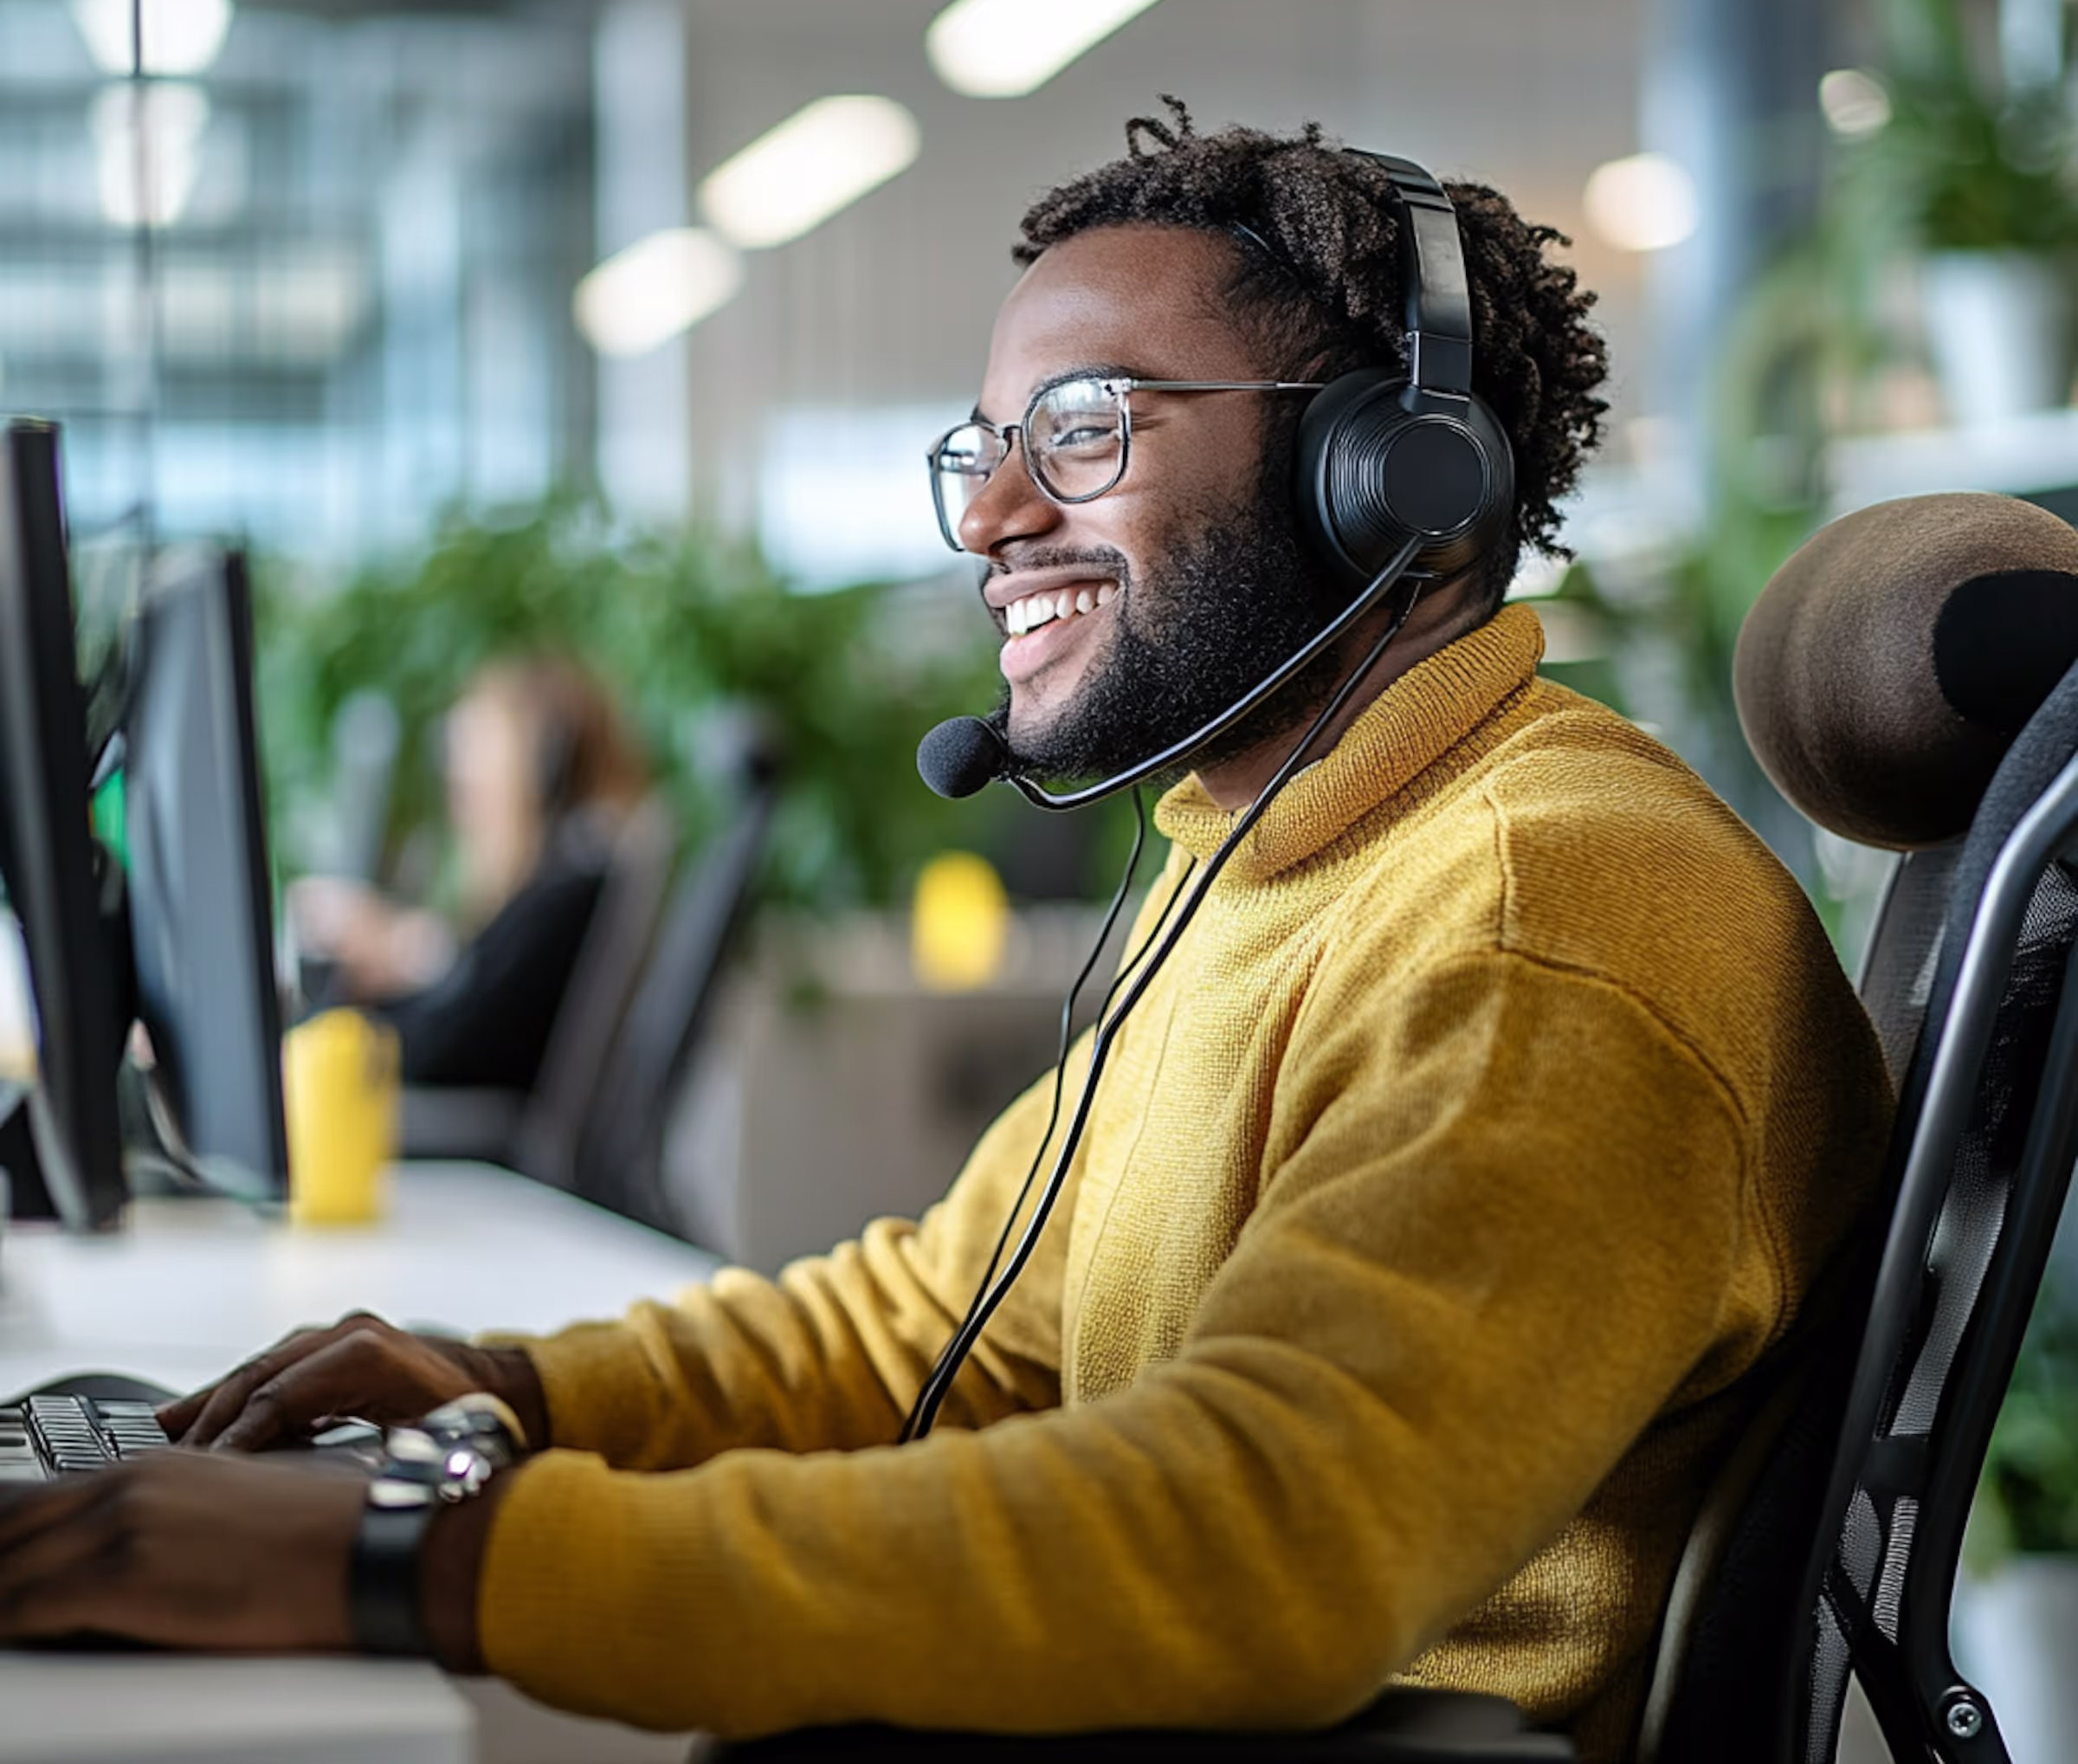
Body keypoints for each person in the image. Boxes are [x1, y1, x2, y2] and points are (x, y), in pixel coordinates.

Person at [0, 108, 1892, 1761]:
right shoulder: (1277, 857)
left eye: (1079, 433)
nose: (986, 514)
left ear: (1388, 472)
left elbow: (1253, 1546)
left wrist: (420, 1555)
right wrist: (515, 1391)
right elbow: (944, 1327)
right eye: (983, 443)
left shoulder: (1537, 923)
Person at [290, 655, 649, 1095]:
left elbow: (443, 1051)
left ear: (545, 770)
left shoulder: (566, 892)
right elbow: (474, 993)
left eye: (474, 781)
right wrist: (399, 956)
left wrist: (337, 1026)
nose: (462, 813)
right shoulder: (563, 888)